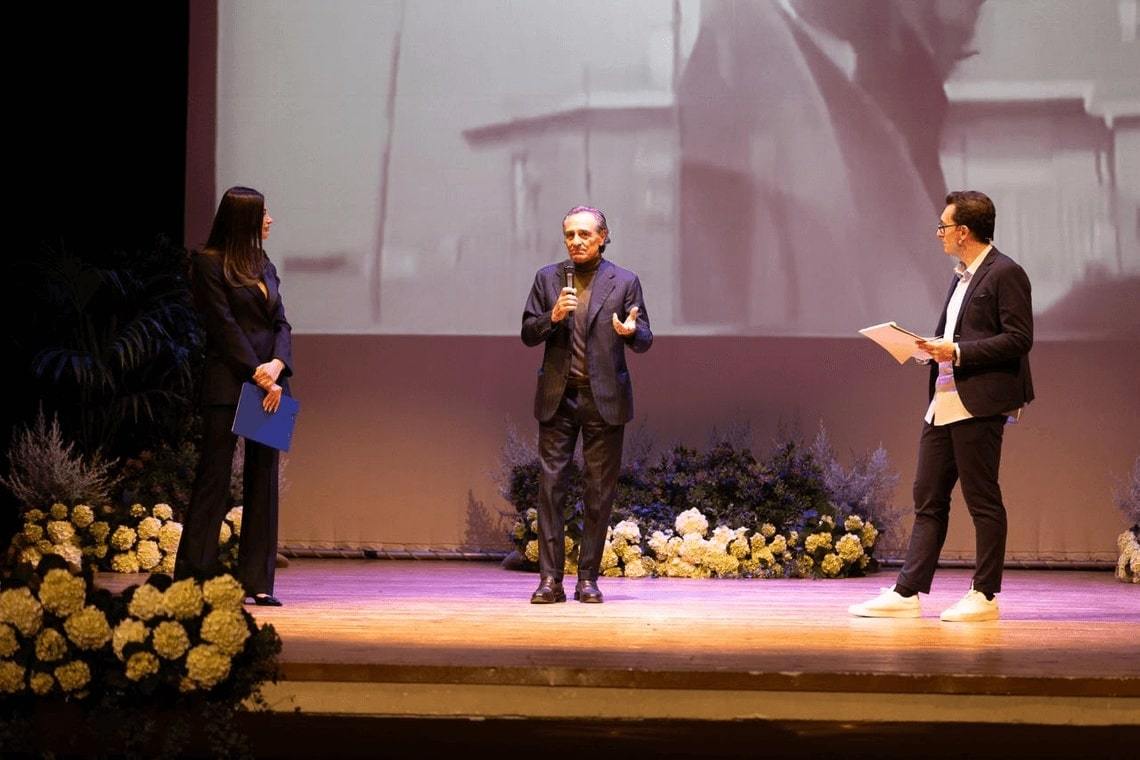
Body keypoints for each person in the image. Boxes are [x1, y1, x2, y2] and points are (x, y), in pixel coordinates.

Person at [850, 190, 1033, 622]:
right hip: (943, 400)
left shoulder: (1005, 272)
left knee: (982, 498)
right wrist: (929, 349)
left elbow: (1019, 338)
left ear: (963, 231)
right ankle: (907, 591)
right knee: (928, 497)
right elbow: (956, 335)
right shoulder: (962, 276)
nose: (939, 234)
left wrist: (957, 352)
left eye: (943, 226)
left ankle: (984, 594)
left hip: (978, 402)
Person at [521, 206, 652, 603]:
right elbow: (528, 333)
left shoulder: (624, 281)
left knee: (598, 491)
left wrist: (630, 332)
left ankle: (588, 579)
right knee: (551, 489)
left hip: (604, 399)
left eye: (583, 234)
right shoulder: (547, 278)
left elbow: (644, 338)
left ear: (602, 237)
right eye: (569, 235)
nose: (575, 241)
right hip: (558, 398)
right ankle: (550, 581)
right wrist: (552, 316)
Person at [174, 186, 294, 606]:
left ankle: (257, 582)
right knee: (214, 478)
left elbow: (281, 324)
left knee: (264, 481)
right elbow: (223, 326)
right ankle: (194, 579)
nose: (270, 219)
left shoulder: (264, 263)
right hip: (230, 381)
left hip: (272, 385)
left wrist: (277, 365)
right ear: (243, 219)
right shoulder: (208, 264)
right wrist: (258, 373)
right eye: (263, 213)